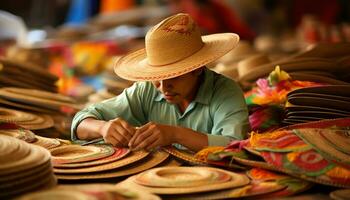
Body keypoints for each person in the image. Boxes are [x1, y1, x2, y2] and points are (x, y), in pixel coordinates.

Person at [71, 13, 250, 152]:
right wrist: (103, 127)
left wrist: (175, 134)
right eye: (157, 76)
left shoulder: (226, 92)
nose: (163, 87)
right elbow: (80, 122)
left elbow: (234, 145)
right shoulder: (146, 91)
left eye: (174, 76)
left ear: (197, 68)